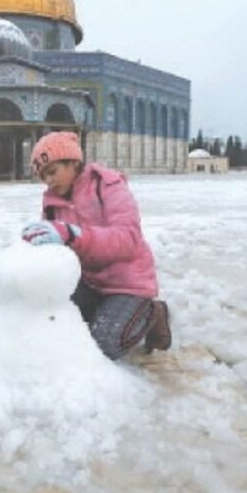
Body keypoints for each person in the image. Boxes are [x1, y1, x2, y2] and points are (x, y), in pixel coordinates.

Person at [21, 131, 171, 359]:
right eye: (43, 177)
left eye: (52, 171)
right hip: (90, 284)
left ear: (73, 162)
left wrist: (73, 235)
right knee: (49, 323)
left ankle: (152, 313)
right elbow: (55, 246)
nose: (49, 181)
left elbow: (127, 239)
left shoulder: (108, 185)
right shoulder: (52, 203)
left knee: (102, 346)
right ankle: (102, 312)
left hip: (127, 284)